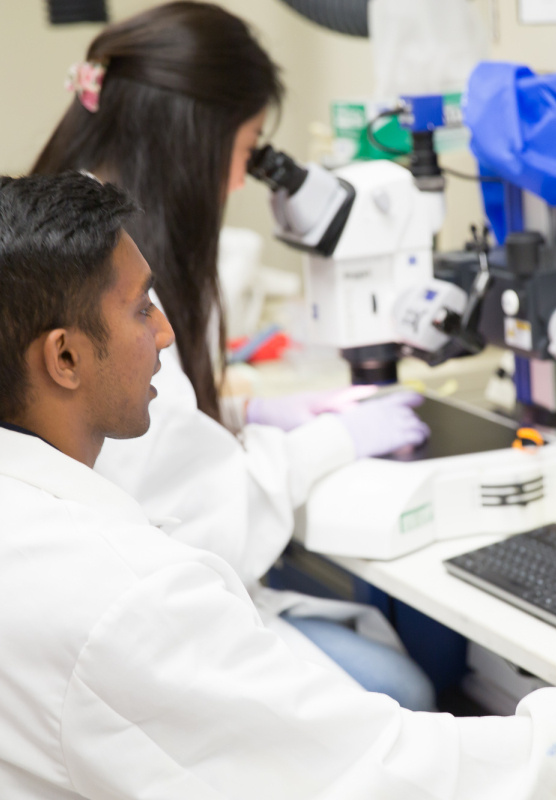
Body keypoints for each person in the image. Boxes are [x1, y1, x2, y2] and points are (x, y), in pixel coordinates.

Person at [3, 170, 556, 800]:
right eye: (143, 310)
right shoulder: (126, 600)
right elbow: (391, 775)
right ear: (65, 359)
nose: (168, 333)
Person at [32, 1, 435, 709]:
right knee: (401, 689)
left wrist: (254, 410)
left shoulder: (68, 215)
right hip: (134, 621)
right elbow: (198, 510)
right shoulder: (100, 270)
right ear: (191, 139)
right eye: (245, 152)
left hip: (83, 593)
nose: (242, 181)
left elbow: (154, 435)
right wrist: (326, 443)